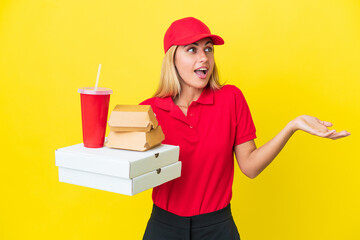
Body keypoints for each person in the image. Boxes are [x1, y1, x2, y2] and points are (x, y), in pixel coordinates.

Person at [139, 17, 350, 240]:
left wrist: (292, 125)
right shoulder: (149, 111)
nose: (204, 58)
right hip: (164, 228)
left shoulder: (231, 99)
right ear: (172, 59)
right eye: (192, 50)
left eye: (208, 49)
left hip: (217, 228)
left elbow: (250, 167)